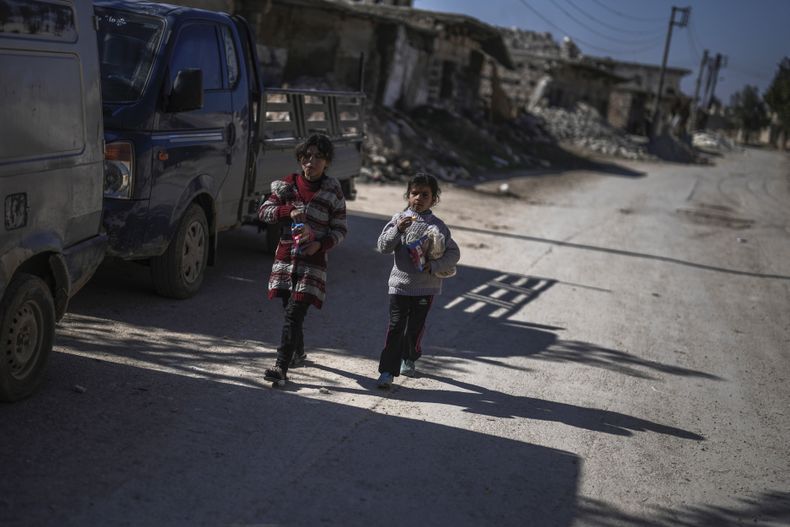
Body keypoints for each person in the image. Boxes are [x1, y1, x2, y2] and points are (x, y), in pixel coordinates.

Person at [258, 133, 347, 385]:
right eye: (307, 156)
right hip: (286, 260)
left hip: (313, 264)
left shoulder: (333, 190)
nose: (312, 161)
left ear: (327, 162)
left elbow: (341, 229)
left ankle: (281, 367)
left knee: (294, 315)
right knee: (289, 309)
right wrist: (288, 210)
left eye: (318, 157)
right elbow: (264, 211)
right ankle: (297, 352)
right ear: (300, 160)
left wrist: (320, 244)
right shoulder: (287, 185)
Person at [375, 173, 460, 388]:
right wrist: (398, 229)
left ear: (434, 199)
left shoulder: (438, 227)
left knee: (415, 327)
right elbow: (383, 246)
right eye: (414, 193)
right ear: (407, 195)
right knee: (395, 327)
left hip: (425, 288)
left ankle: (409, 358)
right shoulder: (398, 219)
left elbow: (454, 254)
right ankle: (387, 371)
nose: (419, 198)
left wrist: (434, 266)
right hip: (399, 286)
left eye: (425, 194)